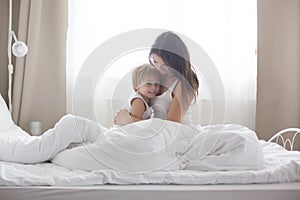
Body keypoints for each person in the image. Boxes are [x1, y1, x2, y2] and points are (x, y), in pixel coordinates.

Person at [115, 31, 199, 125]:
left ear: (175, 62)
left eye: (164, 65)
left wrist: (130, 120)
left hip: (174, 132)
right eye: (155, 61)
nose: (158, 68)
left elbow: (172, 125)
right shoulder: (156, 75)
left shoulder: (185, 83)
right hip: (154, 130)